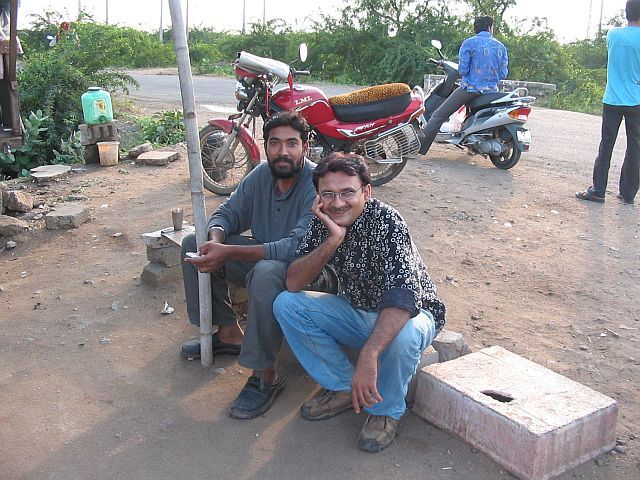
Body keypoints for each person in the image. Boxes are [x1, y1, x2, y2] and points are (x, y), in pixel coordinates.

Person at [273, 153, 446, 452]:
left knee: (403, 336)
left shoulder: (388, 221)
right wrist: (333, 238)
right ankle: (342, 386)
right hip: (359, 310)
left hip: (413, 314)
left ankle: (385, 412)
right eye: (328, 194)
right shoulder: (324, 222)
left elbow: (403, 297)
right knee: (288, 304)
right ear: (318, 197)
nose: (338, 202)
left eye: (347, 193)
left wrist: (369, 354)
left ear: (366, 191)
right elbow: (294, 282)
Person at [181, 111, 327, 419]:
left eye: (291, 144)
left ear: (305, 146)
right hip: (267, 266)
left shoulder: (317, 184)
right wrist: (215, 243)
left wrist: (228, 250)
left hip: (306, 278)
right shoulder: (262, 175)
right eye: (275, 143)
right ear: (266, 145)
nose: (282, 152)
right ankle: (229, 334)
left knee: (265, 271)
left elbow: (296, 247)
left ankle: (266, 375)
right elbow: (227, 212)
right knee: (193, 242)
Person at [576, 0, 640, 205]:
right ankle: (628, 194)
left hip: (612, 99)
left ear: (626, 13)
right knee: (635, 148)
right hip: (637, 101)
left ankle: (599, 190)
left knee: (607, 144)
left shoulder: (613, 34)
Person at [419, 16, 509, 154]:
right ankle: (473, 147)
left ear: (476, 28)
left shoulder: (469, 43)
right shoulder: (501, 47)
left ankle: (417, 148)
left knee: (438, 115)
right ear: (490, 28)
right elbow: (503, 73)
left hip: (471, 89)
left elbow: (462, 70)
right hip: (492, 91)